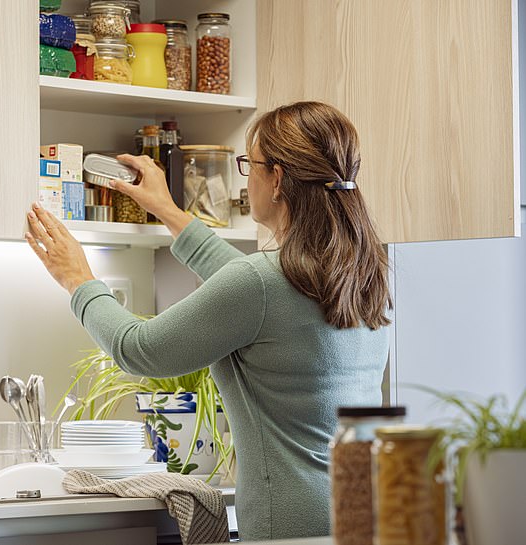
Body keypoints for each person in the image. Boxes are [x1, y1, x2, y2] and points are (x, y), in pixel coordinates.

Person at [26, 101, 391, 541]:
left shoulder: (262, 284)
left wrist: (78, 279)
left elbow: (139, 349)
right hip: (364, 513)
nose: (247, 177)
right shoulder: (363, 276)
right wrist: (167, 210)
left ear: (276, 180)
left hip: (289, 526)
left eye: (249, 165)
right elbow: (250, 285)